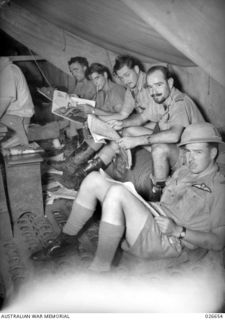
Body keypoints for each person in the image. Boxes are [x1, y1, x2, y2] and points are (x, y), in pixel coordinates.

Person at [31, 122, 225, 274]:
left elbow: (218, 242)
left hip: (169, 240)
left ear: (213, 153)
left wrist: (179, 231)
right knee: (93, 179)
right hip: (154, 216)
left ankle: (100, 270)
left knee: (117, 193)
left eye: (197, 153)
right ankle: (67, 240)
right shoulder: (185, 171)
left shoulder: (219, 188)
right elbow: (166, 200)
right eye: (188, 152)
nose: (190, 159)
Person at [83, 65, 205, 199]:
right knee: (128, 130)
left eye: (158, 85)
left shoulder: (179, 102)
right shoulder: (160, 98)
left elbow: (174, 135)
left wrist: (136, 141)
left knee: (160, 149)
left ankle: (158, 197)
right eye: (150, 87)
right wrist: (122, 123)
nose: (154, 91)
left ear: (170, 83)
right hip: (177, 144)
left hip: (190, 152)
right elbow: (141, 118)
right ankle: (87, 171)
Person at [51, 63, 126, 185]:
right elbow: (95, 109)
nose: (96, 83)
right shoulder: (101, 92)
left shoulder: (116, 91)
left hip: (118, 127)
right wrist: (77, 102)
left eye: (97, 78)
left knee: (99, 137)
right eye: (93, 80)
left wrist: (92, 112)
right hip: (105, 127)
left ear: (105, 75)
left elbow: (120, 116)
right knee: (88, 129)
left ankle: (72, 169)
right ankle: (71, 168)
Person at [0, 57, 34, 148]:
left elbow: (3, 102)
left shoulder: (8, 71)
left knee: (3, 147)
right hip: (9, 117)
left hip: (16, 118)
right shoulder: (3, 70)